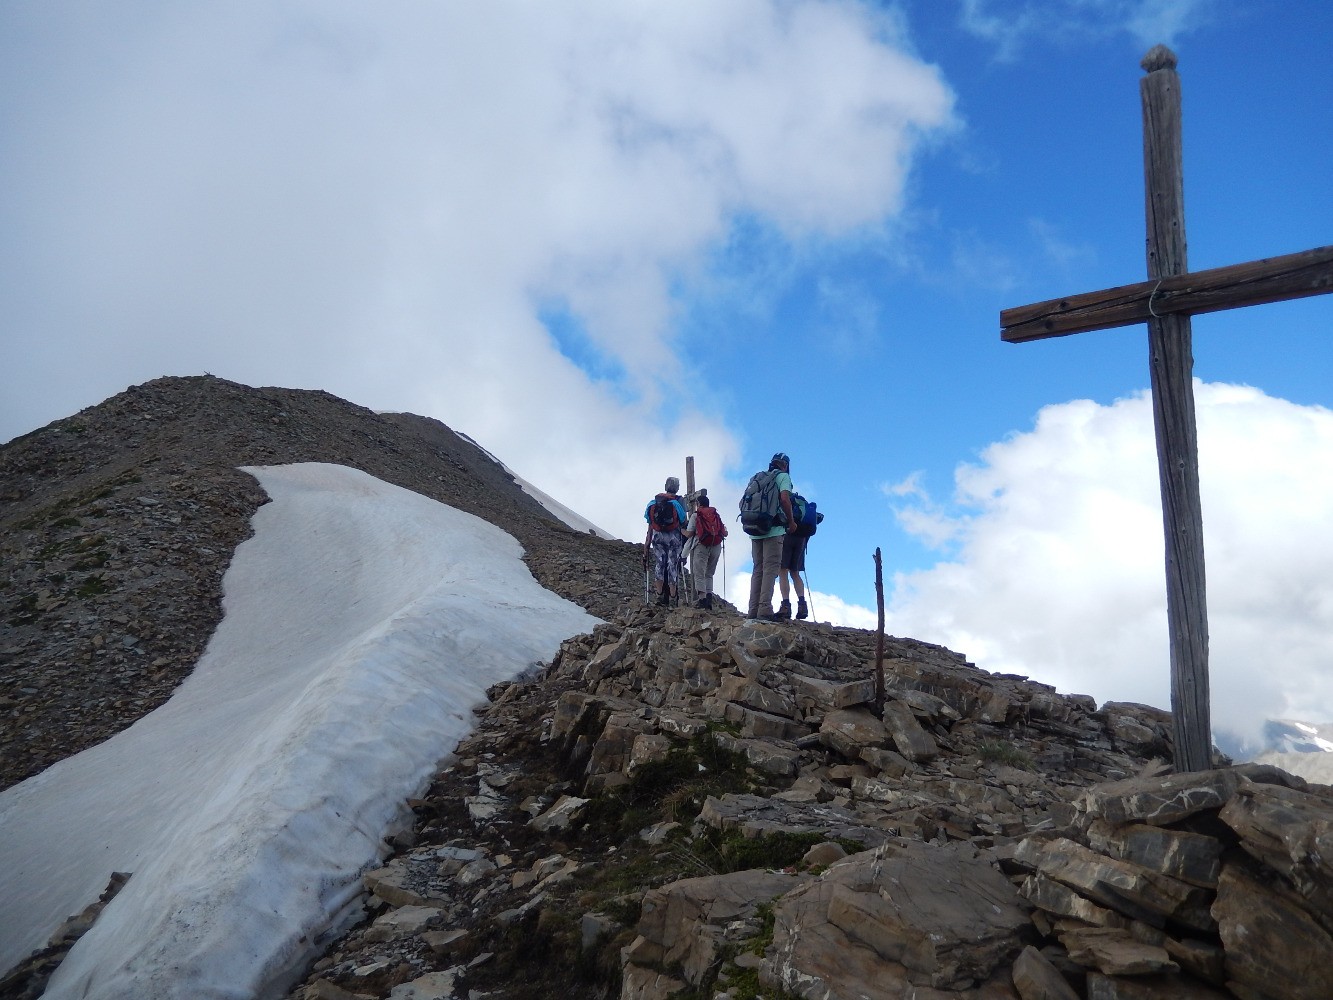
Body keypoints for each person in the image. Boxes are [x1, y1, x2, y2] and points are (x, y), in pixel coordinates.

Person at [746, 453, 798, 620]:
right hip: (774, 529)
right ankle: (765, 608)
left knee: (758, 569)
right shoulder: (783, 477)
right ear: (785, 465)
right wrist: (791, 521)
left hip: (755, 528)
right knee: (770, 569)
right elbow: (784, 499)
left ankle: (753, 610)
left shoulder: (759, 477)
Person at [643, 476, 687, 607]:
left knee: (659, 565)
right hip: (673, 538)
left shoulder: (653, 502)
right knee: (672, 565)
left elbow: (649, 520)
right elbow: (683, 520)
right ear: (676, 488)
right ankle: (673, 598)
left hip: (657, 538)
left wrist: (647, 542)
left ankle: (659, 595)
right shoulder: (677, 503)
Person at [682, 489, 727, 610]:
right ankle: (709, 599)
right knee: (709, 574)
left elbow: (690, 534)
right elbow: (725, 532)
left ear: (698, 504)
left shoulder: (696, 515)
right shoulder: (715, 515)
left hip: (701, 546)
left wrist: (681, 531)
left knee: (699, 573)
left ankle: (702, 600)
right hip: (716, 546)